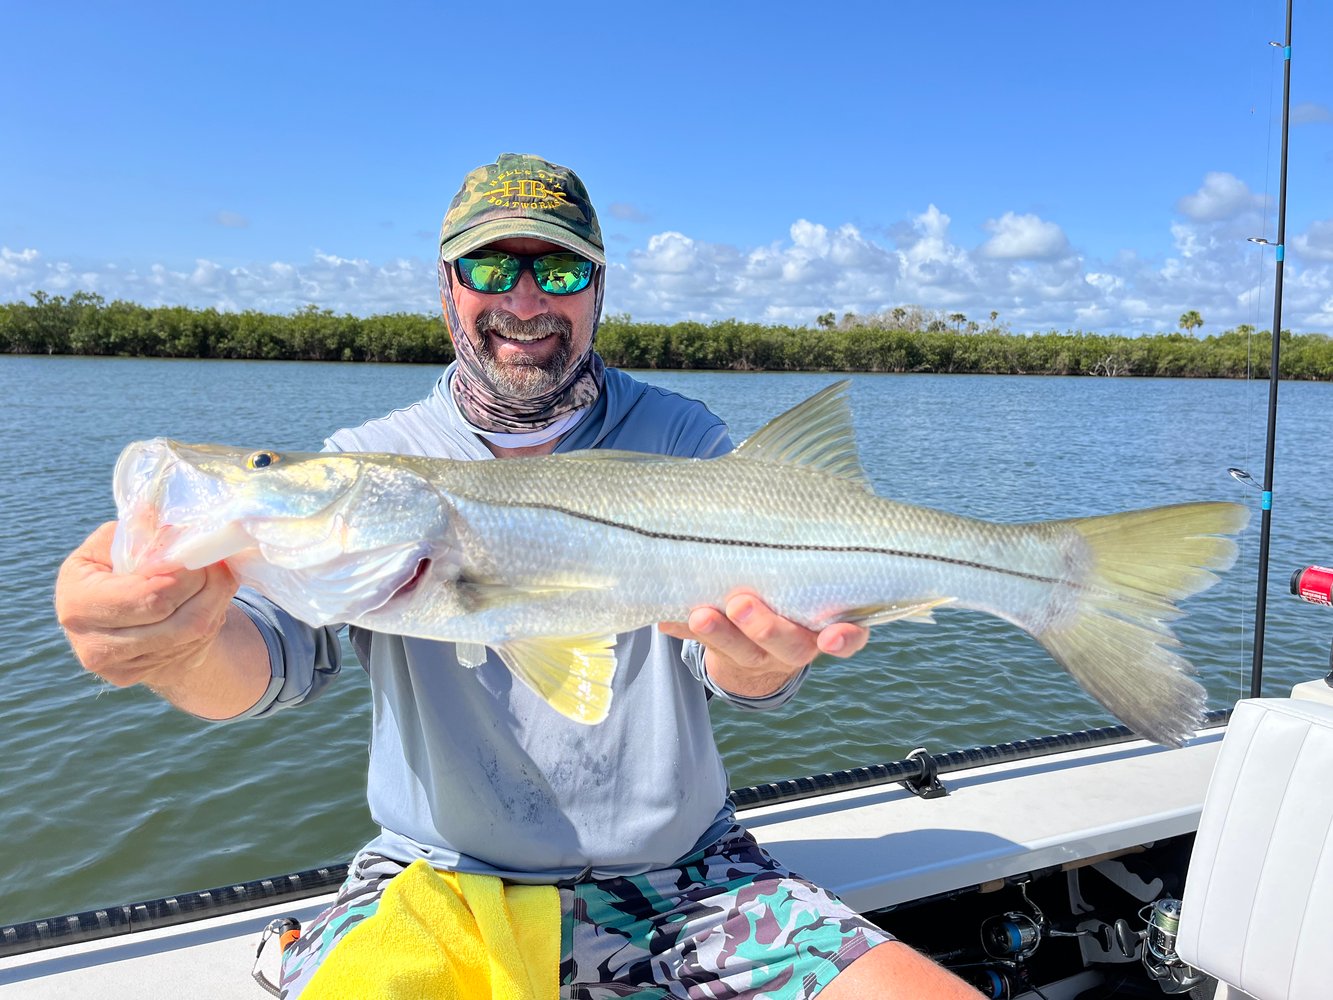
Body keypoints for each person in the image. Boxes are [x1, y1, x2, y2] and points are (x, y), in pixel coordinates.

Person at [56, 153, 981, 998]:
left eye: (562, 270)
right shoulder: (375, 457)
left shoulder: (684, 439)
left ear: (599, 289)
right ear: (448, 287)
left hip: (692, 877)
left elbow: (729, 666)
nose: (527, 300)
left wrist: (762, 665)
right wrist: (171, 645)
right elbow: (270, 658)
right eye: (493, 269)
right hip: (439, 874)